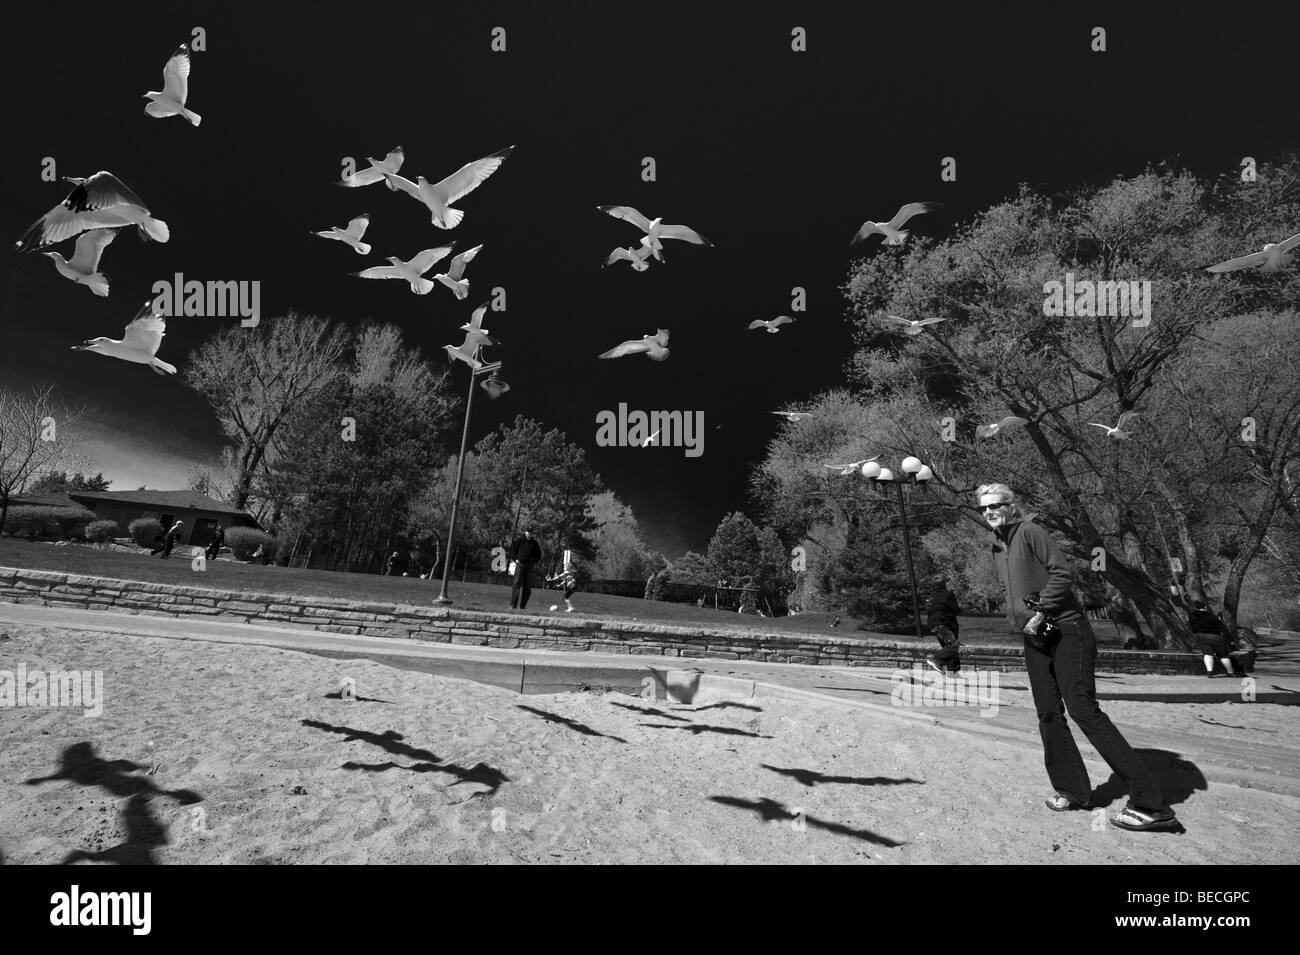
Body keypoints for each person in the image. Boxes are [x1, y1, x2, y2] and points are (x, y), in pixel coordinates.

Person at [979, 482, 1177, 832]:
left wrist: (1042, 605)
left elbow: (1063, 572)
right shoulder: (998, 545)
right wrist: (1025, 618)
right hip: (1034, 636)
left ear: (1011, 506)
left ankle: (1151, 804)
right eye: (984, 508)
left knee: (1082, 708)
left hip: (1067, 629)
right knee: (1048, 714)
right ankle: (1073, 790)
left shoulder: (1029, 531)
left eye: (996, 505)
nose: (990, 511)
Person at [925, 574, 962, 674]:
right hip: (943, 623)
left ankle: (953, 672)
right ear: (945, 583)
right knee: (953, 645)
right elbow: (956, 610)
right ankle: (936, 659)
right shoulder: (948, 594)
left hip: (934, 625)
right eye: (948, 581)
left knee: (949, 648)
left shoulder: (933, 596)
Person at [1188, 599, 1234, 678]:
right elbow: (1222, 628)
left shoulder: (1192, 616)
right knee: (1223, 654)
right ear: (1205, 607)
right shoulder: (1211, 616)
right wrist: (1231, 639)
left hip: (1200, 637)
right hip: (1215, 637)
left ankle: (1209, 671)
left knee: (1207, 653)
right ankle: (1230, 672)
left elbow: (1191, 627)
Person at [508, 528, 543, 610]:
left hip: (529, 567)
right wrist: (515, 559)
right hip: (520, 565)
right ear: (525, 532)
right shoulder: (519, 540)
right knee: (516, 584)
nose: (530, 535)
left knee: (527, 587)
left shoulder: (534, 543)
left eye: (531, 533)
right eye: (528, 533)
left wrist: (534, 562)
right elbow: (513, 550)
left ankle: (523, 606)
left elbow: (538, 554)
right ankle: (513, 605)